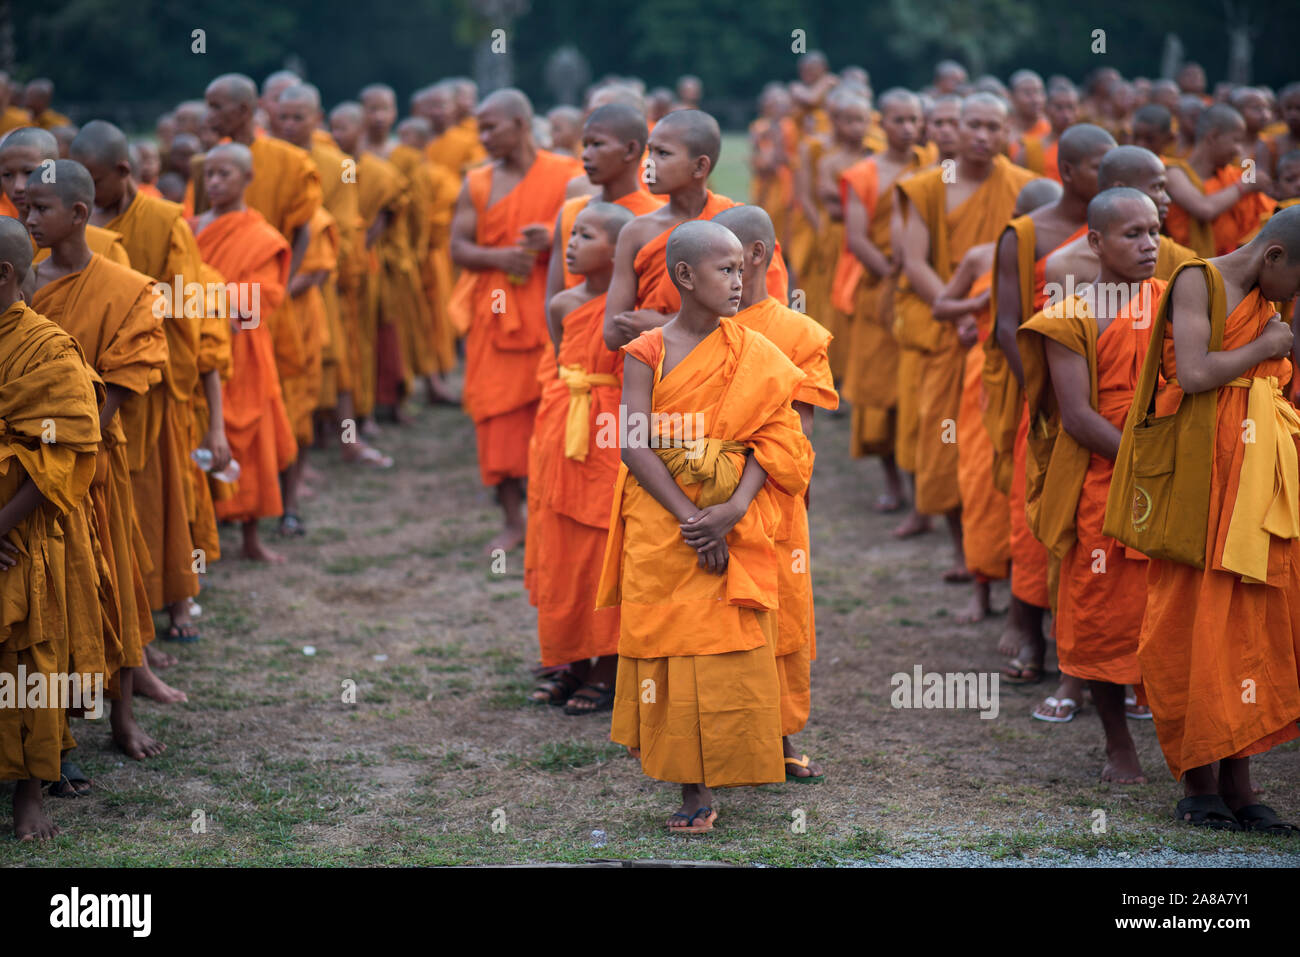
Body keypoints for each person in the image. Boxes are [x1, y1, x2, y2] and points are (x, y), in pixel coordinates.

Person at [595, 220, 812, 831]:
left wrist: (734, 512)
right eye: (725, 269)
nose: (739, 281)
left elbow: (778, 439)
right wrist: (693, 519)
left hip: (732, 519)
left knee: (728, 647)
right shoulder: (648, 351)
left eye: (743, 268)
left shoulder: (756, 353)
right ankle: (691, 789)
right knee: (672, 647)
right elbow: (633, 444)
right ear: (685, 276)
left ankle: (738, 758)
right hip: (666, 522)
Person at [1124, 206, 1300, 832]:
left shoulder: (1267, 298)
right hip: (1200, 482)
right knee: (1192, 620)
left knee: (1250, 620)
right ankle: (1199, 779)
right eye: (1297, 282)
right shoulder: (1201, 279)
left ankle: (1241, 780)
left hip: (1255, 487)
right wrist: (1265, 345)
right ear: (1274, 256)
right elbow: (1196, 373)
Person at [1018, 187, 1167, 783]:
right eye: (1133, 234)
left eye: (1155, 230)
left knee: (1171, 607)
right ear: (1096, 243)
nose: (1149, 244)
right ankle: (1118, 745)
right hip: (1105, 480)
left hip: (1173, 477)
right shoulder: (1069, 315)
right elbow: (1078, 417)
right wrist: (1151, 461)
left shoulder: (1176, 301)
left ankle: (1192, 742)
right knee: (1101, 614)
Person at [27, 161, 169, 760]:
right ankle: (47, 733)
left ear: (79, 214)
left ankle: (122, 716)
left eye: (40, 208)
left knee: (116, 585)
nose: (28, 217)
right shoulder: (20, 281)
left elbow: (126, 380)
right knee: (49, 598)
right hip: (25, 472)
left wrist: (74, 451)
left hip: (91, 467)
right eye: (24, 207)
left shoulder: (127, 287)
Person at [69, 120, 216, 659]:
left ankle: (176, 601)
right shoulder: (74, 222)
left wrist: (135, 336)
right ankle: (128, 620)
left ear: (124, 173)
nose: (88, 195)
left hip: (150, 379)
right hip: (93, 382)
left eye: (97, 182)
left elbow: (185, 304)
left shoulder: (163, 220)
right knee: (116, 509)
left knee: (162, 497)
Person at [986, 124, 1115, 708]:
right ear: (1067, 172)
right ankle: (1028, 627)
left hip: (1107, 396)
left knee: (1090, 525)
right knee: (1034, 512)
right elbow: (1008, 324)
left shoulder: (1126, 233)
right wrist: (1045, 397)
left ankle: (1092, 650)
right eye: (1098, 169)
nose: (1109, 179)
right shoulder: (1028, 233)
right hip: (1042, 395)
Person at [893, 94, 1038, 585]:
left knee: (998, 448)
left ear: (1008, 132)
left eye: (991, 127)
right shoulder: (932, 187)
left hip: (1005, 334)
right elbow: (914, 261)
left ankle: (1013, 557)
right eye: (971, 124)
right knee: (946, 445)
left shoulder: (1024, 186)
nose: (980, 135)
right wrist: (956, 310)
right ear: (952, 128)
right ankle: (966, 554)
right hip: (947, 329)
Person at [716, 204, 839, 779]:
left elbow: (799, 432)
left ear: (757, 255)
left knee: (782, 615)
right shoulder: (691, 329)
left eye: (727, 263)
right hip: (702, 497)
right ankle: (718, 735)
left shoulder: (797, 333)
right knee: (714, 615)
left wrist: (739, 487)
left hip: (771, 498)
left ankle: (782, 733)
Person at [448, 89, 581, 554]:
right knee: (495, 415)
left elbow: (599, 232)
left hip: (552, 310)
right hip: (497, 314)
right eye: (480, 128)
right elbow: (458, 248)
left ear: (521, 124)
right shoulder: (478, 182)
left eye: (491, 128)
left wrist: (553, 237)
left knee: (554, 418)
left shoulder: (568, 175)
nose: (483, 138)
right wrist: (500, 255)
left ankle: (553, 514)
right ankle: (512, 520)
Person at [932, 177, 1063, 624]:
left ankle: (1033, 595)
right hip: (990, 380)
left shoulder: (1071, 260)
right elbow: (940, 307)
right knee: (981, 481)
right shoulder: (985, 257)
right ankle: (983, 588)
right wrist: (984, 302)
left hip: (1050, 378)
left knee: (1038, 487)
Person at [526, 202, 633, 711]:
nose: (569, 244)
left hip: (610, 433)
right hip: (562, 426)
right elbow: (565, 362)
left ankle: (609, 667)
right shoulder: (562, 304)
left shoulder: (629, 308)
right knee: (562, 550)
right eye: (570, 234)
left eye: (585, 235)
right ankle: (569, 660)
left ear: (617, 252)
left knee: (602, 548)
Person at [190, 144, 297, 563]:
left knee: (252, 439)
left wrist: (206, 298)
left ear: (247, 178)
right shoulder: (190, 226)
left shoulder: (262, 237)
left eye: (225, 174)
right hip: (199, 349)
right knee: (200, 433)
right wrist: (208, 302)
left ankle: (252, 538)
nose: (214, 183)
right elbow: (175, 281)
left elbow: (263, 297)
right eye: (209, 174)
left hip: (245, 350)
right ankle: (203, 535)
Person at [603, 109, 786, 351]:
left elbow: (767, 318)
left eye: (663, 153)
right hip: (657, 370)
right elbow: (613, 334)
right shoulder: (635, 232)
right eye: (650, 151)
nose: (649, 163)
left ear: (700, 166)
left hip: (729, 370)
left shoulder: (740, 226)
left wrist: (663, 325)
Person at [833, 89, 926, 519]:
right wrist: (894, 273)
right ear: (881, 124)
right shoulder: (862, 174)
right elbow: (857, 238)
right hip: (879, 291)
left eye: (914, 120)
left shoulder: (933, 166)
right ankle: (892, 481)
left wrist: (920, 273)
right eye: (898, 120)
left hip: (922, 292)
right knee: (878, 394)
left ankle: (921, 484)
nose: (907, 128)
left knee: (914, 394)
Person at [0, 127, 131, 265]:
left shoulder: (103, 246)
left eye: (29, 172)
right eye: (7, 175)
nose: (18, 186)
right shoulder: (3, 241)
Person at [1165, 104, 1275, 258]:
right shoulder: (1174, 173)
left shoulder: (1232, 176)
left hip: (1230, 268)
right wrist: (1246, 185)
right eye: (1236, 140)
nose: (1238, 150)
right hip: (1185, 269)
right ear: (1213, 136)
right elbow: (1205, 209)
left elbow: (1265, 221)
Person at [1012, 81, 1080, 183]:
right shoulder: (1029, 150)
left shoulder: (1086, 148)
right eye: (1059, 108)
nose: (1066, 114)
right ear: (1046, 109)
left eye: (1071, 107)